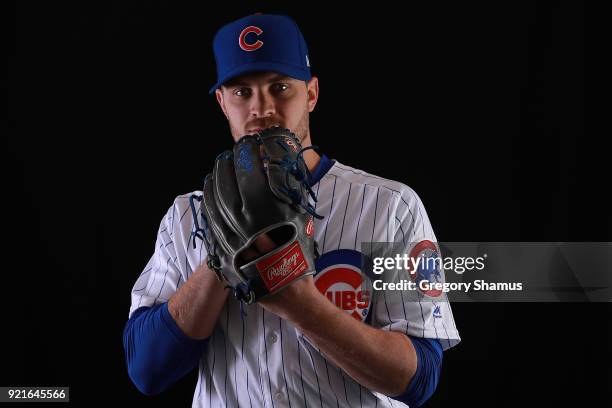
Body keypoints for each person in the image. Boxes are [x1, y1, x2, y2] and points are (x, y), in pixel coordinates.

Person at [123, 13, 460, 407]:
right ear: (222, 102)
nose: (261, 108)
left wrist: (300, 304)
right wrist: (219, 262)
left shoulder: (390, 204)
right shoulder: (187, 216)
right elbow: (146, 370)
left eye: (280, 87)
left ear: (312, 94)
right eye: (241, 92)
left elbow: (418, 378)